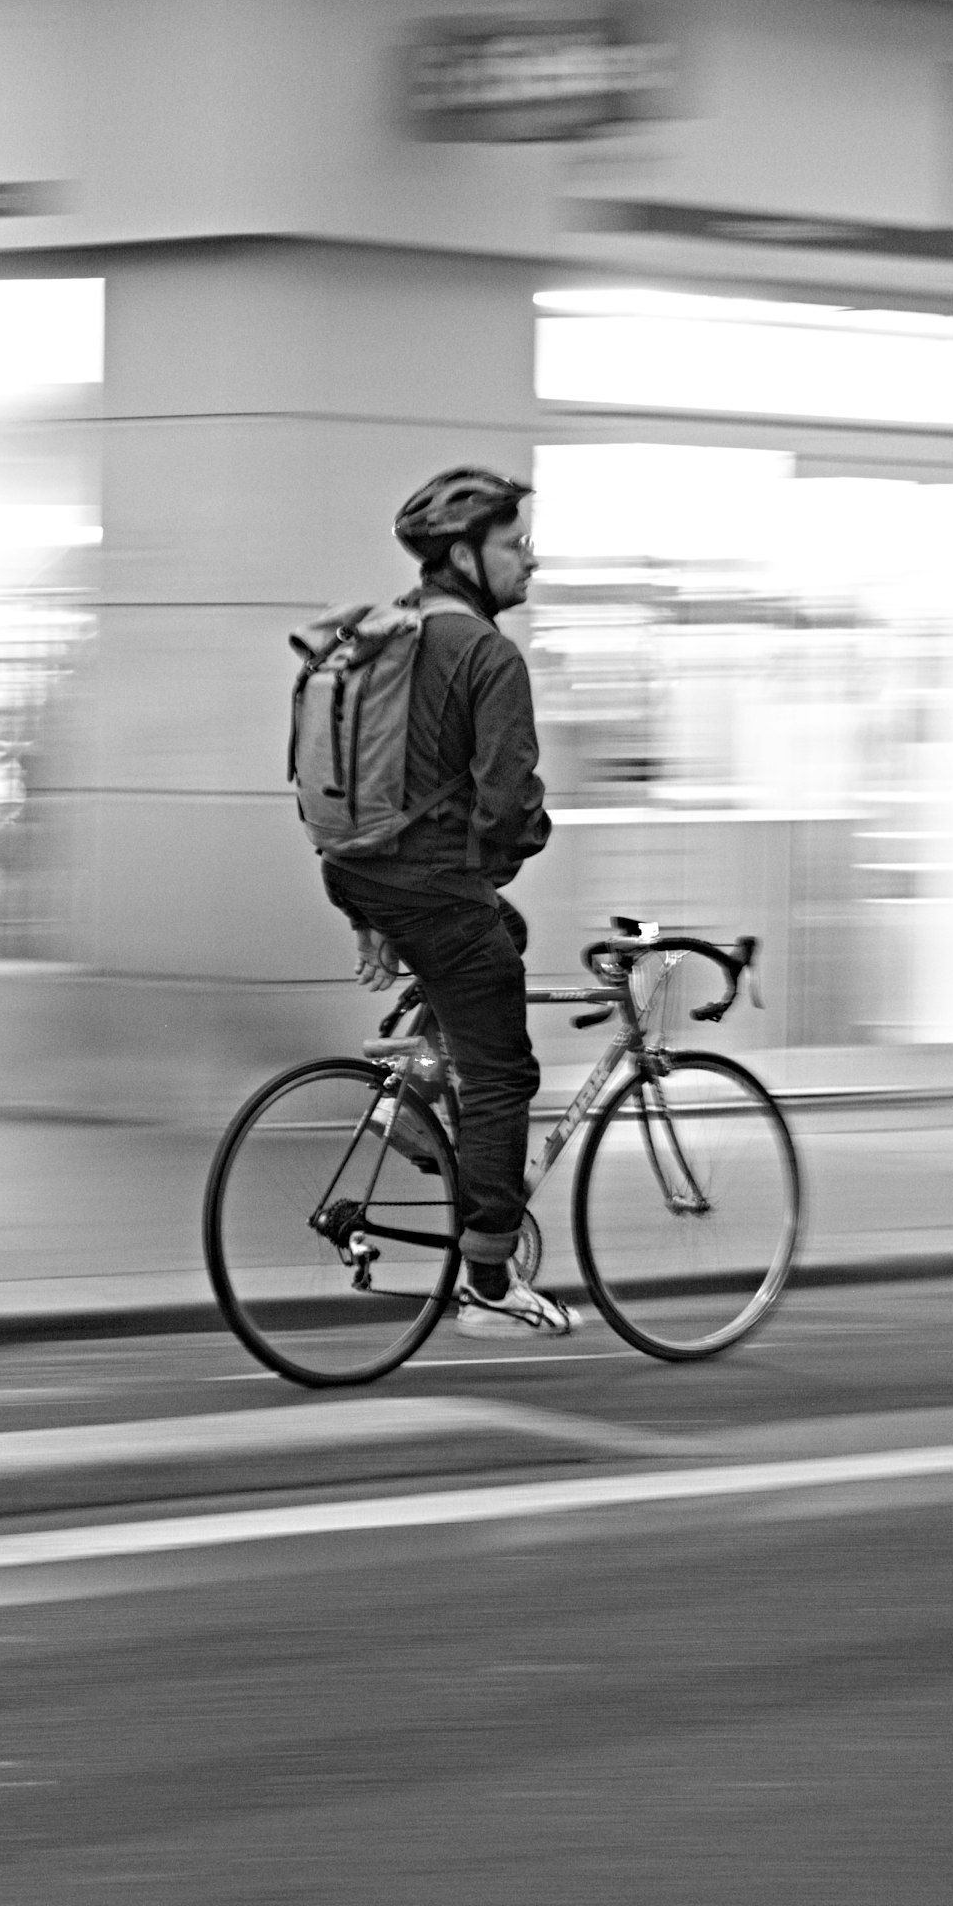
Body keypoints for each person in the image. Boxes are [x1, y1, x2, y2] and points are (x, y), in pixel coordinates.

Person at [317, 467, 565, 1332]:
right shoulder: (488, 656)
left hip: (357, 869)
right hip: (426, 884)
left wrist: (373, 910)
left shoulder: (387, 631)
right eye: (515, 544)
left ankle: (416, 1088)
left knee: (497, 931)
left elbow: (348, 780)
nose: (531, 560)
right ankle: (489, 1285)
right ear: (464, 553)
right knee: (505, 1074)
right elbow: (509, 809)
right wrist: (523, 838)